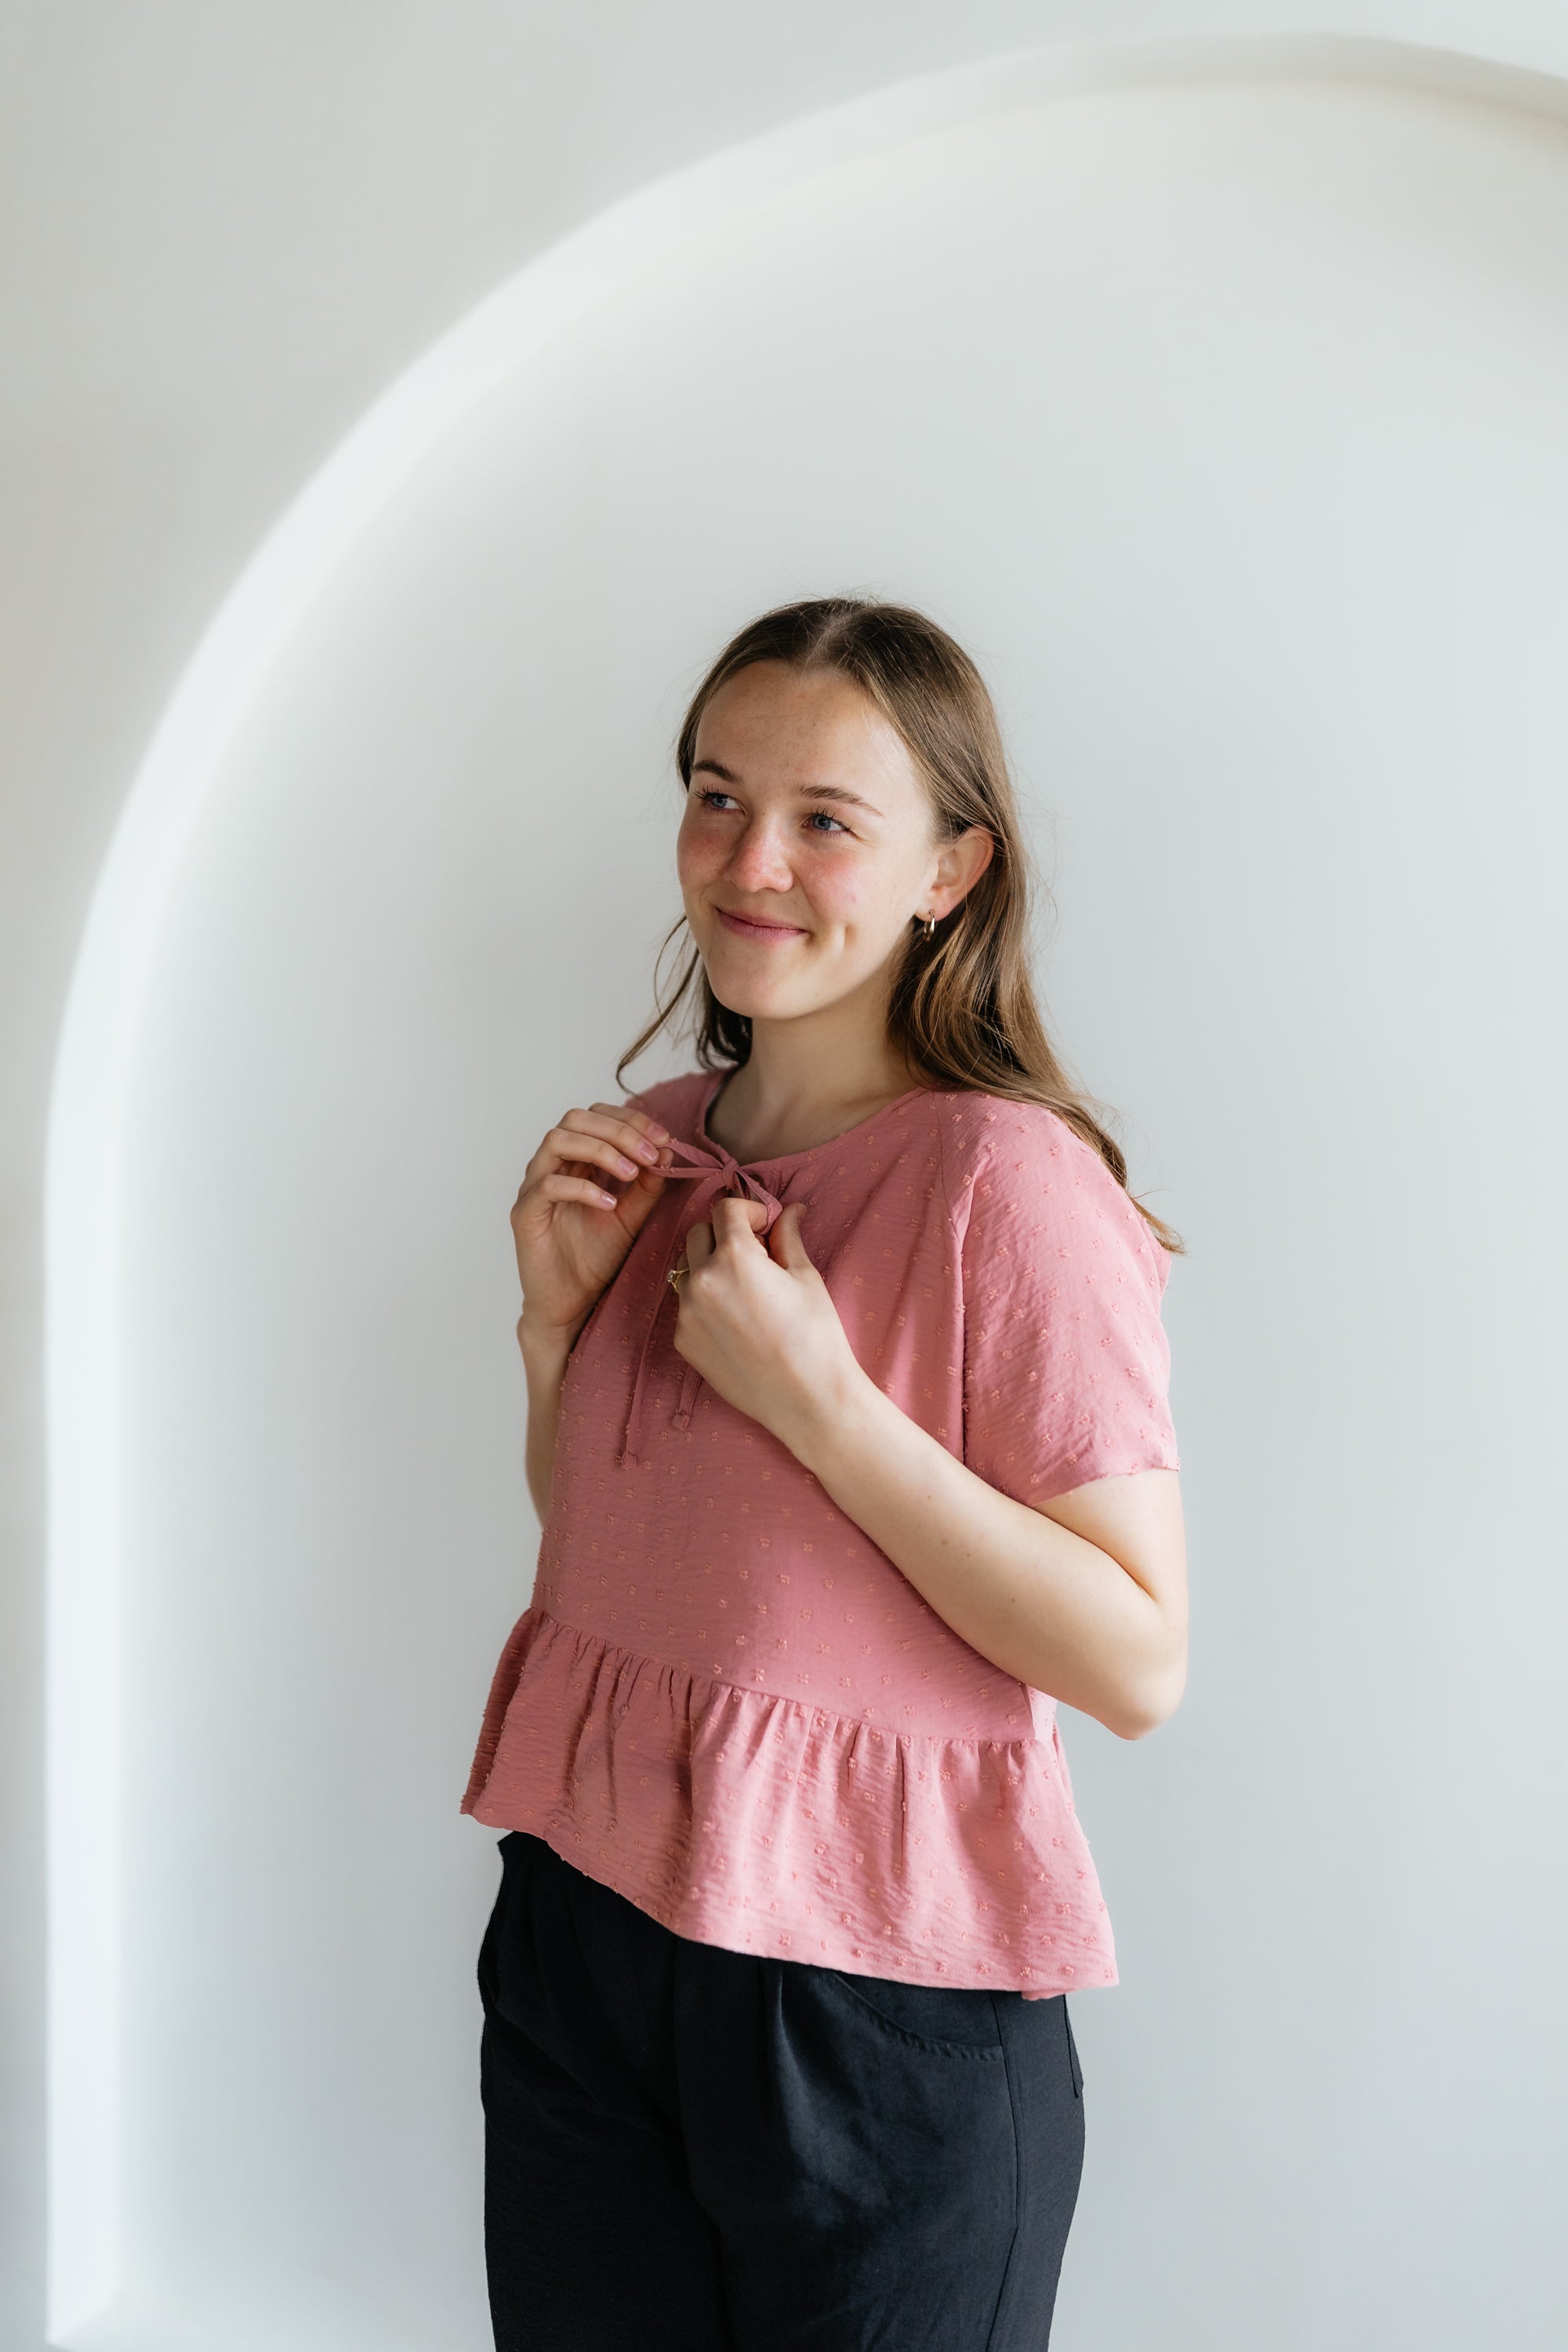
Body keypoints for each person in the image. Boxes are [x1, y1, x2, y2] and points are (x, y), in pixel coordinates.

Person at [462, 597, 1187, 2351]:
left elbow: (1137, 1662)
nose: (748, 863)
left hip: (872, 2007)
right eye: (717, 797)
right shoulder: (657, 1152)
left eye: (825, 819)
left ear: (952, 869)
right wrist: (554, 1331)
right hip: (584, 1931)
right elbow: (621, 1551)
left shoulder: (1004, 1186)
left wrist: (827, 1410)